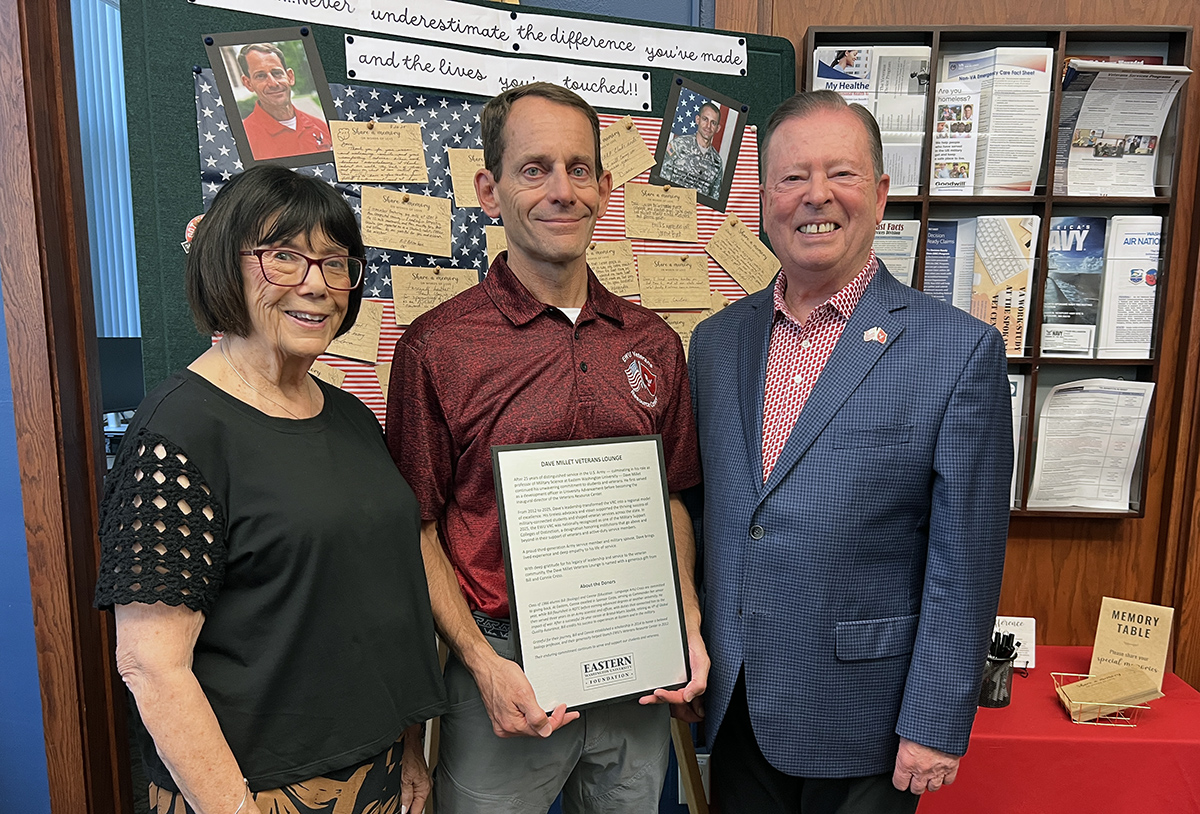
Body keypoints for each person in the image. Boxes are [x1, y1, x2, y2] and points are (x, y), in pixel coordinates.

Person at [386, 82, 708, 814]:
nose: (561, 190)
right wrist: (480, 664)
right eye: (534, 169)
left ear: (603, 186)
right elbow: (417, 527)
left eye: (578, 168)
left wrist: (685, 622)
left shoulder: (652, 342)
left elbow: (672, 496)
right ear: (489, 189)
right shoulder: (438, 347)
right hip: (503, 669)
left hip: (637, 663)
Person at [687, 90, 1011, 813]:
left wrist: (936, 722)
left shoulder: (958, 352)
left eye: (841, 173)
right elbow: (712, 516)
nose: (816, 196)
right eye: (792, 176)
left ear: (881, 193)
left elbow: (966, 562)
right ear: (763, 196)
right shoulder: (715, 344)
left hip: (868, 718)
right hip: (737, 707)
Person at [94, 165, 446, 814]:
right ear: (225, 267)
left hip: (376, 769)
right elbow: (151, 666)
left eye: (336, 263)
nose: (316, 285)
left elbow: (376, 606)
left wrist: (411, 748)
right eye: (283, 257)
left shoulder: (350, 419)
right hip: (251, 787)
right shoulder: (179, 431)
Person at [237, 43, 332, 160]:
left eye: (277, 73)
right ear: (248, 83)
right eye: (260, 76)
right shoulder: (243, 139)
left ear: (290, 77)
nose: (273, 83)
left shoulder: (321, 126)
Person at [660, 100, 724, 199]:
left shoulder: (717, 162)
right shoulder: (678, 145)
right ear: (697, 120)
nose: (708, 126)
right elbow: (661, 181)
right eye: (705, 119)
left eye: (713, 123)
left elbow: (714, 198)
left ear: (717, 128)